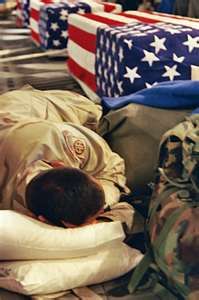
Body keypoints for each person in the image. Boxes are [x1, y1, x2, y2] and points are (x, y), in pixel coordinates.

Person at [0, 86, 133, 229]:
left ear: (58, 164)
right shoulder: (12, 214)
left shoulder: (64, 139)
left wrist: (105, 201)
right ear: (42, 220)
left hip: (46, 106)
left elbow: (111, 167)